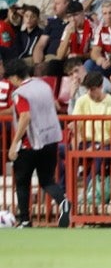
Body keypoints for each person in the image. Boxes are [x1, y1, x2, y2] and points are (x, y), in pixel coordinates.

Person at [7, 58, 67, 226]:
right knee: (47, 180)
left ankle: (25, 220)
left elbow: (25, 117)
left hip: (30, 143)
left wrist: (14, 143)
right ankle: (63, 202)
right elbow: (55, 106)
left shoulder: (20, 93)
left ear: (14, 77)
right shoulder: (44, 85)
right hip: (51, 139)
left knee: (22, 182)